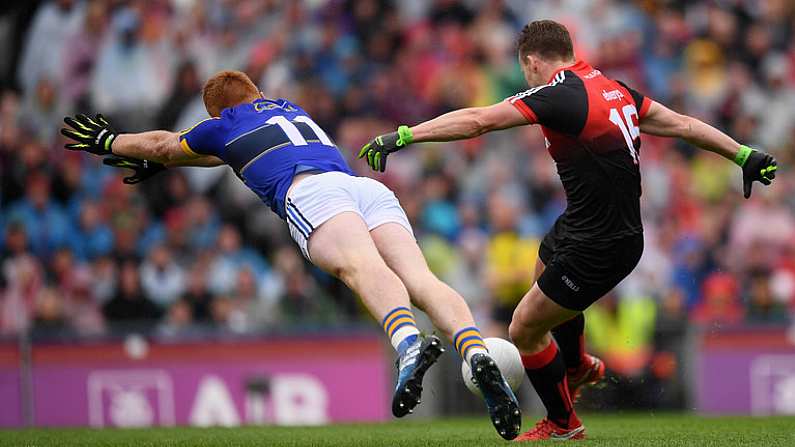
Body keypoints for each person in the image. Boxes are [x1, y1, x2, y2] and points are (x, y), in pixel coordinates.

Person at [358, 20, 777, 441]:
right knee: (543, 273)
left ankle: (563, 424)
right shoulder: (615, 90)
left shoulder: (558, 96)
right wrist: (743, 154)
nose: (526, 77)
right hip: (584, 226)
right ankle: (576, 365)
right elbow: (684, 125)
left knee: (523, 328)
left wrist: (407, 134)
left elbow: (479, 120)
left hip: (601, 244)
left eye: (525, 70)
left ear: (533, 61)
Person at [60, 70, 522, 439]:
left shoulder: (222, 126)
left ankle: (407, 347)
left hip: (312, 193)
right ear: (256, 94)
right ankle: (476, 350)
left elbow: (168, 143)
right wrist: (168, 160)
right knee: (422, 281)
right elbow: (218, 155)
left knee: (363, 270)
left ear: (217, 114)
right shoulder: (286, 108)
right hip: (363, 186)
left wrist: (113, 143)